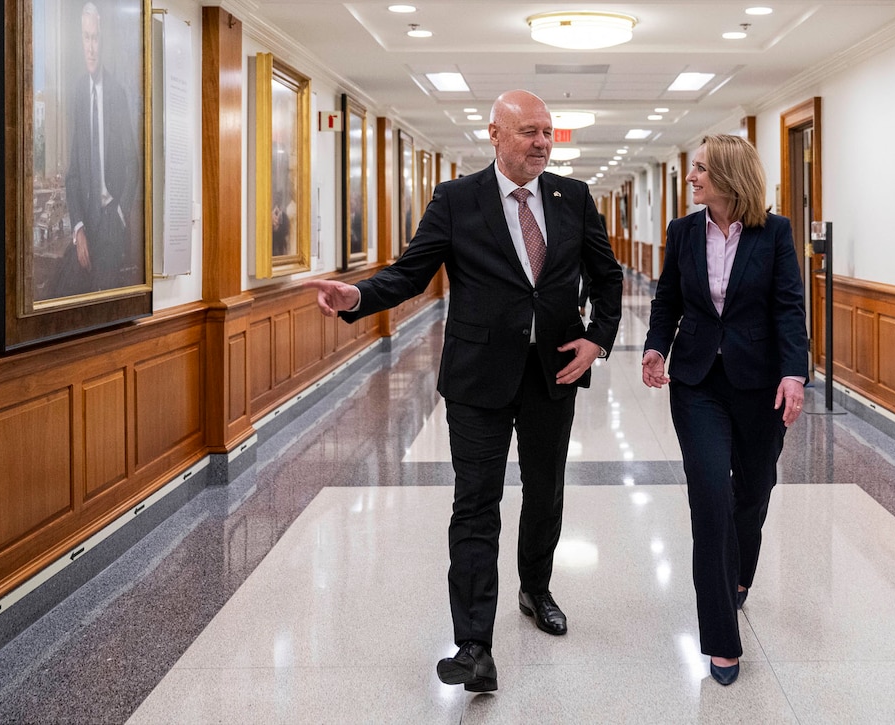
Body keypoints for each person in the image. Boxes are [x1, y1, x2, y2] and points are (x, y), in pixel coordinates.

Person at [306, 90, 623, 693]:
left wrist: (597, 342)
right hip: (478, 378)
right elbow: (410, 272)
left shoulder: (572, 197)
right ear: (496, 134)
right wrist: (359, 298)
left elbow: (607, 278)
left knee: (545, 492)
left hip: (553, 374)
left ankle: (535, 589)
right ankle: (474, 643)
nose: (541, 143)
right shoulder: (456, 199)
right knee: (475, 505)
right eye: (529, 131)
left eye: (548, 132)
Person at [641, 134, 807, 687]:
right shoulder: (683, 232)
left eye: (701, 170)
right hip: (697, 383)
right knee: (710, 496)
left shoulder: (775, 232)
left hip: (759, 384)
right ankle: (720, 639)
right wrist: (654, 347)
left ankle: (740, 576)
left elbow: (788, 306)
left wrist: (793, 372)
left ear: (729, 176)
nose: (692, 178)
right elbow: (668, 299)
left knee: (753, 492)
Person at [54, 1, 139, 297]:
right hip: (85, 223)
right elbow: (73, 175)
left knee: (103, 300)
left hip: (109, 222)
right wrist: (77, 228)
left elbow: (132, 164)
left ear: (103, 41)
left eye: (95, 38)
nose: (90, 47)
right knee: (59, 292)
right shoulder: (79, 93)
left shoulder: (117, 93)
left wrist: (120, 213)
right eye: (85, 38)